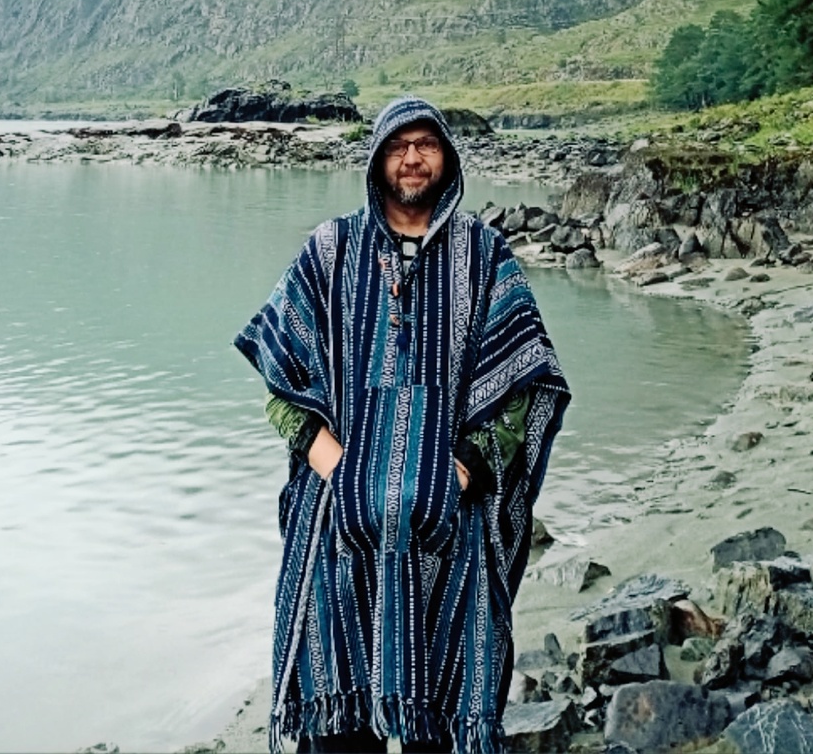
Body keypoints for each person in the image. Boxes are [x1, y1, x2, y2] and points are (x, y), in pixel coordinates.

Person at [234, 97, 570, 754]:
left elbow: (523, 387)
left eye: (426, 145)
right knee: (337, 720)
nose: (412, 158)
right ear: (376, 160)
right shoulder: (329, 252)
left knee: (440, 718)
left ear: (447, 157)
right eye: (397, 146)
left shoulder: (484, 255)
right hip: (337, 529)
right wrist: (336, 467)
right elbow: (279, 382)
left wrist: (464, 469)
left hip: (450, 532)